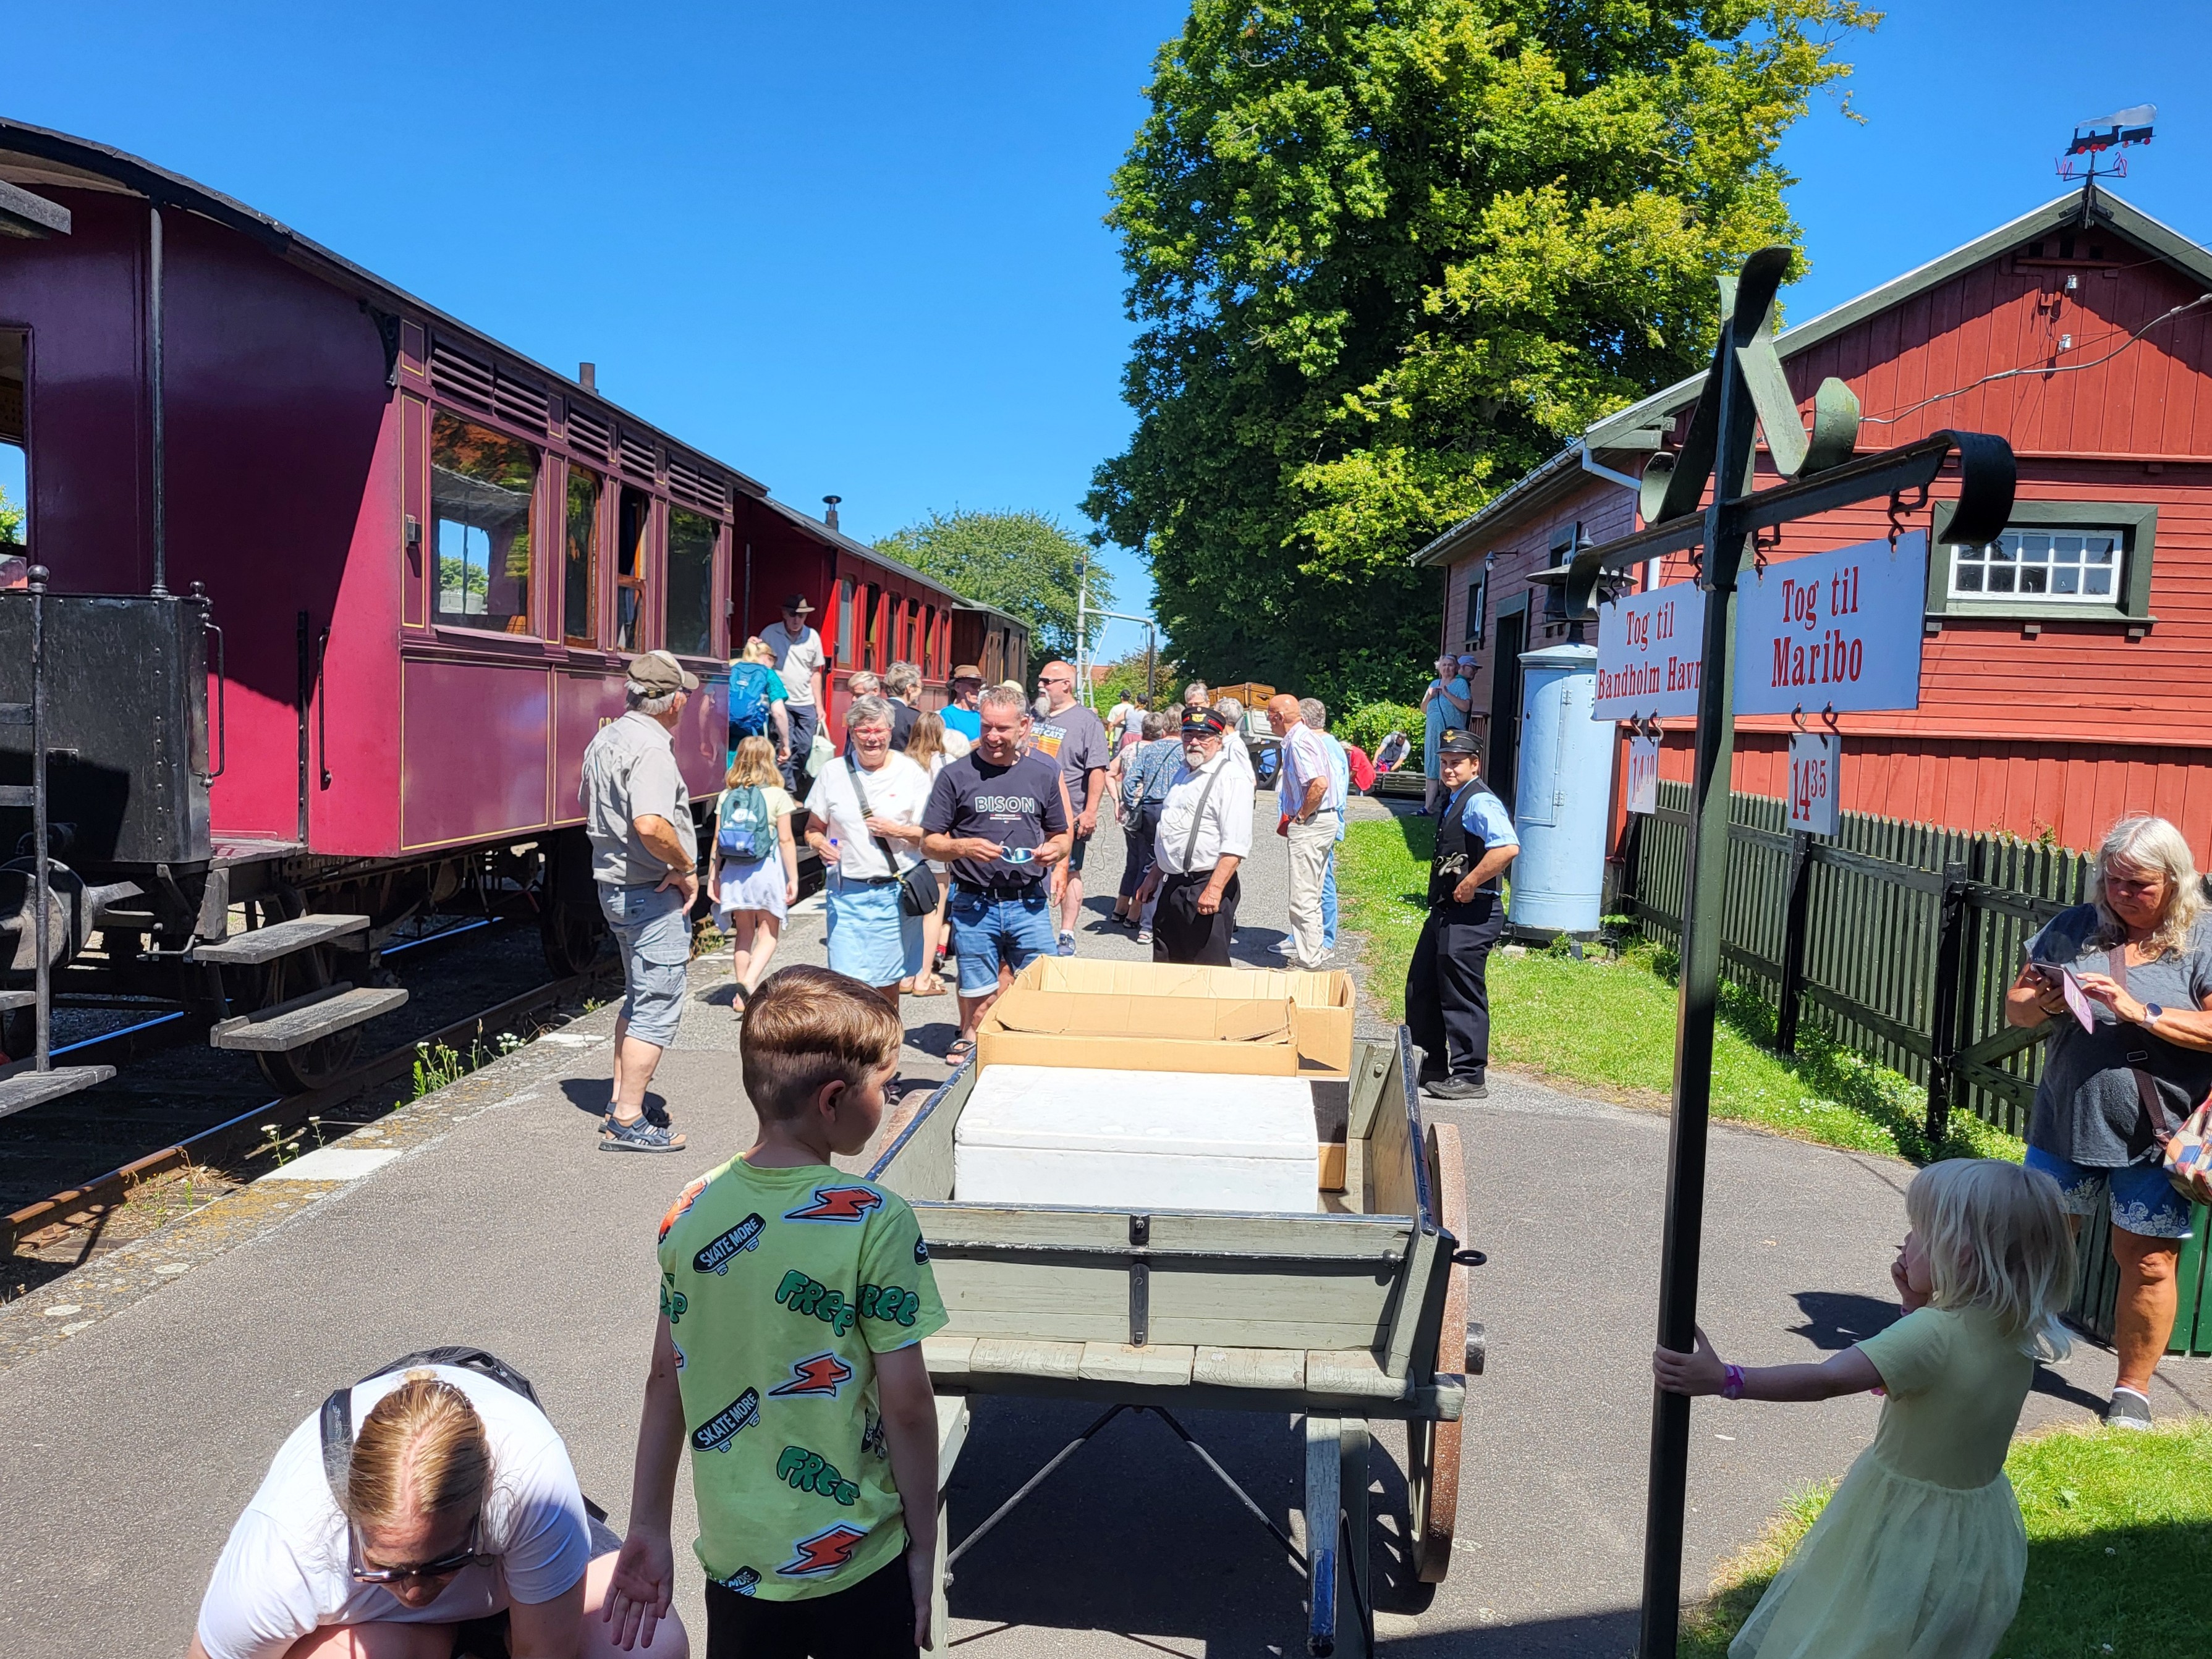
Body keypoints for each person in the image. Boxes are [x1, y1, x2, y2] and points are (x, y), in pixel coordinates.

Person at [608, 966, 945, 1659]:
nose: (888, 1099)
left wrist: (648, 1525)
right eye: (885, 1085)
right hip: (859, 1558)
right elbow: (908, 1404)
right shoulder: (875, 1221)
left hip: (739, 1565)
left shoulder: (692, 1207)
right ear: (833, 1100)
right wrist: (924, 1539)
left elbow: (666, 1379)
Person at [1655, 1158, 2075, 1659]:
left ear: (1959, 1255)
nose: (1905, 1240)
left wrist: (1726, 1379)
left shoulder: (1932, 1334)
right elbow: (1941, 1377)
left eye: (1919, 1230)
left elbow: (1828, 1378)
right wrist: (1915, 1302)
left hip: (1902, 1517)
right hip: (1971, 1524)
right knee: (1923, 1633)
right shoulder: (2015, 1328)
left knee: (1862, 1624)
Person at [192, 1354, 684, 1659]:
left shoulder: (528, 1481)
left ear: (483, 1508)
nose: (413, 1590)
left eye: (441, 1563)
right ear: (352, 1521)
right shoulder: (285, 1547)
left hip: (512, 1595)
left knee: (649, 1645)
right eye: (385, 1568)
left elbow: (545, 1652)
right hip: (384, 1634)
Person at [2004, 813, 2212, 1429]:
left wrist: (2137, 1009)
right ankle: (2007, 1352)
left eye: (2139, 885)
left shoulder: (2203, 938)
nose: (2121, 895)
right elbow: (2018, 1010)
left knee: (2147, 1260)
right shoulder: (2075, 926)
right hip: (2067, 1119)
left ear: (2175, 881)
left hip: (2159, 1134)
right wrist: (2046, 994)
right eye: (2112, 881)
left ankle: (2133, 1393)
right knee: (2037, 1245)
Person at [579, 649, 700, 1154]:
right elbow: (650, 823)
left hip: (616, 887)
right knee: (656, 1003)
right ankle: (627, 1119)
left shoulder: (606, 736)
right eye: (684, 694)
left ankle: (619, 1101)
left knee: (637, 995)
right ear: (672, 700)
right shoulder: (651, 749)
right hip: (650, 892)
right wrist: (684, 866)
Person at [920, 685, 1072, 1066]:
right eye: (986, 726)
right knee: (978, 991)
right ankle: (971, 1054)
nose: (992, 736)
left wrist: (1057, 852)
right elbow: (929, 843)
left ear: (1024, 726)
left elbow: (1062, 834)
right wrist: (963, 847)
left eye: (1002, 729)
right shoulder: (955, 775)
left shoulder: (1043, 773)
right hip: (974, 903)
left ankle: (1032, 1056)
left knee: (1042, 986)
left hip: (1029, 903)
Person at [1406, 728, 1517, 1100]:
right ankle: (1431, 1064)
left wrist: (1470, 883)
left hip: (1474, 912)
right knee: (1422, 985)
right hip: (1446, 911)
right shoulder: (1454, 798)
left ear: (1475, 764)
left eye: (1457, 763)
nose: (1449, 769)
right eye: (1445, 763)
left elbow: (1506, 849)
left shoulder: (1481, 802)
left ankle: (1470, 1075)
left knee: (1461, 993)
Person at [804, 696, 931, 1013]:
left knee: (887, 985)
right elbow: (813, 828)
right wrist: (823, 845)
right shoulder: (833, 772)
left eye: (878, 730)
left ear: (890, 731)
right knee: (845, 983)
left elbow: (930, 837)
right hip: (846, 894)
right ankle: (853, 1055)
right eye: (863, 730)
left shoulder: (910, 772)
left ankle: (884, 1052)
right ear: (852, 732)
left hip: (893, 893)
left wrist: (896, 831)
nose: (872, 738)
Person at [1138, 707, 1252, 966]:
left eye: (1204, 736)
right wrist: (1155, 874)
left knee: (1208, 971)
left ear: (1219, 740)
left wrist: (1213, 890)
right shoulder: (1183, 772)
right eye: (1189, 736)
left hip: (1207, 885)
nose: (1195, 743)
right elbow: (1176, 831)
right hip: (1174, 884)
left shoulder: (1231, 778)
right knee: (1168, 965)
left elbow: (1236, 846)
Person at [1027, 659, 1112, 957]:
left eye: (1047, 681)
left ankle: (1066, 933)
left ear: (1066, 684)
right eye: (1040, 681)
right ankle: (1032, 932)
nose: (1041, 685)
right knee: (1029, 870)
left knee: (1070, 872)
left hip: (1068, 813)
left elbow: (1098, 770)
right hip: (1028, 811)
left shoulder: (1086, 721)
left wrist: (1090, 811)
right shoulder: (1034, 717)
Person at [709, 737, 799, 1014]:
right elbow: (786, 841)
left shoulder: (727, 796)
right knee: (768, 933)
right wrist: (793, 878)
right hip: (766, 872)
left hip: (735, 873)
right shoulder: (777, 796)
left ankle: (739, 998)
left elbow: (717, 840)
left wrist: (714, 876)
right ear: (769, 761)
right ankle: (748, 983)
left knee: (744, 932)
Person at [1267, 694, 1340, 969]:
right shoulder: (1309, 737)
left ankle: (1309, 959)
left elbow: (1319, 785)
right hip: (1324, 821)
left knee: (1303, 897)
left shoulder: (1297, 743)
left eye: (1269, 717)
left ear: (1278, 718)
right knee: (1314, 890)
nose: (1269, 723)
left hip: (1312, 823)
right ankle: (1315, 950)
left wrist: (1300, 816)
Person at [901, 712, 954, 998]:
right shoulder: (946, 763)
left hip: (905, 846)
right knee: (933, 912)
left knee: (907, 911)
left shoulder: (901, 763)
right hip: (935, 840)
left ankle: (905, 975)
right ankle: (923, 976)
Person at [1113, 710, 1180, 932]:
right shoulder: (1184, 751)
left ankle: (1131, 914)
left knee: (1143, 860)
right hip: (1172, 808)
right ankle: (1146, 922)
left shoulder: (1150, 749)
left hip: (1149, 808)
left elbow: (1130, 778)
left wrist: (1131, 803)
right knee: (1166, 863)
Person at [761, 594, 828, 793]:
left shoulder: (812, 636)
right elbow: (758, 659)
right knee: (784, 745)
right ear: (784, 614)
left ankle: (793, 784)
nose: (797, 620)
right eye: (793, 615)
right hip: (780, 701)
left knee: (805, 747)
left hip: (805, 701)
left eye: (802, 616)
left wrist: (819, 705)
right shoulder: (770, 633)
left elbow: (816, 673)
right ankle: (786, 791)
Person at [1304, 698, 1352, 955]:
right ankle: (1303, 934)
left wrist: (1303, 815)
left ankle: (1326, 940)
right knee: (1309, 882)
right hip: (1317, 818)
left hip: (1321, 819)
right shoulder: (1325, 744)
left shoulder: (1325, 747)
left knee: (1323, 881)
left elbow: (1329, 790)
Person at [726, 638, 792, 770]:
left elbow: (707, 705)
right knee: (757, 782)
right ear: (766, 658)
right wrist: (785, 744)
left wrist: (707, 740)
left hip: (728, 740)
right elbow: (779, 714)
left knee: (729, 780)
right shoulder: (768, 674)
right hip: (757, 742)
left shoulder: (730, 669)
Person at [1418, 655, 1470, 816]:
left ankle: (1449, 806)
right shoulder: (1434, 684)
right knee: (1432, 767)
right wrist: (1429, 696)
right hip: (1433, 733)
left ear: (1456, 668)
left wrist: (1447, 694)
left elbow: (1465, 706)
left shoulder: (1461, 684)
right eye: (1444, 665)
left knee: (1451, 766)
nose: (1447, 668)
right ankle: (1428, 807)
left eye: (1450, 665)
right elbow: (1423, 709)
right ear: (1439, 668)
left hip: (1451, 734)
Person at [882, 661, 923, 751]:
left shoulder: (873, 710)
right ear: (910, 688)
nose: (921, 692)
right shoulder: (914, 717)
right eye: (920, 687)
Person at [941, 665, 985, 746]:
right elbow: (950, 748)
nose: (978, 689)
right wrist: (980, 742)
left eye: (980, 686)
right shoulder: (947, 714)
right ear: (958, 687)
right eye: (974, 685)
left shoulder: (980, 715)